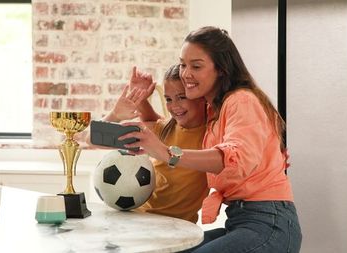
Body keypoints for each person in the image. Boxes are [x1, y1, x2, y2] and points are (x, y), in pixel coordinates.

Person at [119, 26, 302, 253]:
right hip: (240, 220)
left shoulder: (241, 100)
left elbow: (235, 158)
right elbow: (167, 126)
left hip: (268, 224)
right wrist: (141, 101)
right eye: (183, 64)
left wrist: (166, 153)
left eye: (196, 66)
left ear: (222, 69)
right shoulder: (213, 110)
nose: (186, 73)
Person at [88, 64, 209, 223]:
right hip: (137, 220)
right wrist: (116, 114)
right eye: (168, 99)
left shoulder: (211, 134)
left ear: (200, 96)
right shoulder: (163, 128)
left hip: (177, 228)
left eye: (182, 97)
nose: (174, 106)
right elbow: (92, 139)